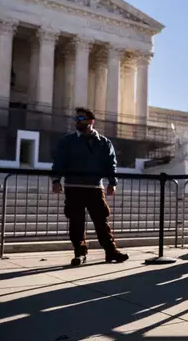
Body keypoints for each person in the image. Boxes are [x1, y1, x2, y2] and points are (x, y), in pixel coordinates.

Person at [51, 107, 129, 267]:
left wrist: (112, 182)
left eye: (81, 119)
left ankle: (111, 250)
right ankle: (80, 253)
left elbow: (111, 163)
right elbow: (59, 160)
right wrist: (56, 180)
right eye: (76, 119)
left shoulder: (104, 142)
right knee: (76, 221)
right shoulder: (67, 141)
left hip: (95, 187)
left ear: (91, 121)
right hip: (74, 186)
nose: (77, 122)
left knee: (101, 220)